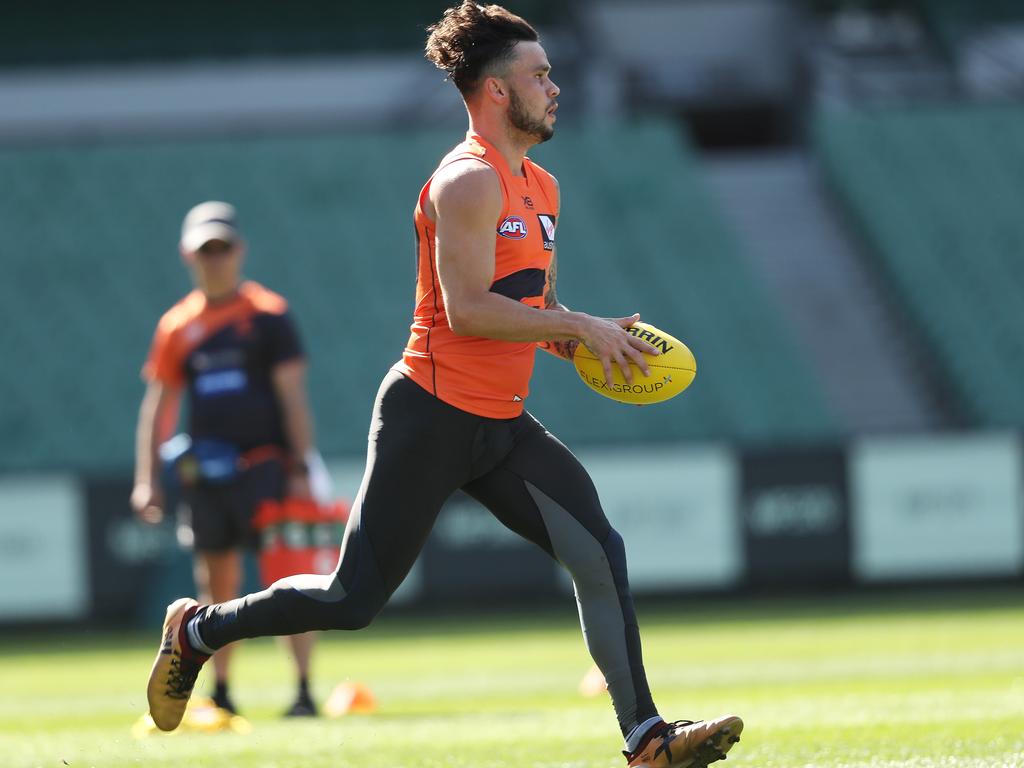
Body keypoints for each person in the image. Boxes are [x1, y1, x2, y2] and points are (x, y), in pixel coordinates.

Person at [145, 5, 743, 765]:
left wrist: (580, 338)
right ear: (496, 91)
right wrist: (581, 324)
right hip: (428, 416)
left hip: (501, 425)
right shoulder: (465, 181)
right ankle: (196, 630)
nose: (555, 87)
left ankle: (646, 740)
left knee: (599, 552)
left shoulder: (543, 186)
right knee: (350, 601)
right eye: (540, 74)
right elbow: (467, 310)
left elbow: (532, 308)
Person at [132, 201, 322, 717]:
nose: (214, 259)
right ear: (188, 256)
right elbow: (160, 406)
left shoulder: (268, 315)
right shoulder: (178, 326)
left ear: (239, 250)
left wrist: (303, 463)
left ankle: (303, 689)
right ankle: (221, 693)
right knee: (216, 583)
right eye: (204, 250)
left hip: (267, 467)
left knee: (289, 579)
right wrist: (147, 479)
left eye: (221, 248)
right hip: (208, 473)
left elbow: (292, 396)